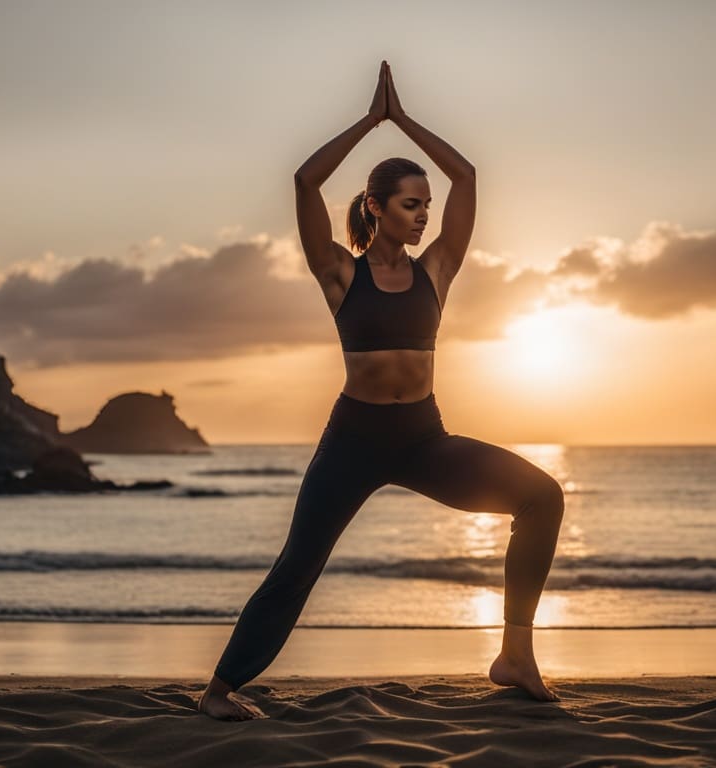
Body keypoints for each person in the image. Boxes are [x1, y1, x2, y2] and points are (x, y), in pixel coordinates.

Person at [199, 60, 564, 720]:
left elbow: (468, 178)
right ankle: (220, 690)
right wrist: (371, 120)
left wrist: (407, 120)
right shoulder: (340, 273)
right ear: (376, 206)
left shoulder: (438, 271)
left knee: (541, 496)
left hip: (424, 438)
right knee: (298, 565)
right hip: (355, 440)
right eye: (409, 203)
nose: (424, 215)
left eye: (426, 204)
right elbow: (305, 180)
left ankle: (514, 656)